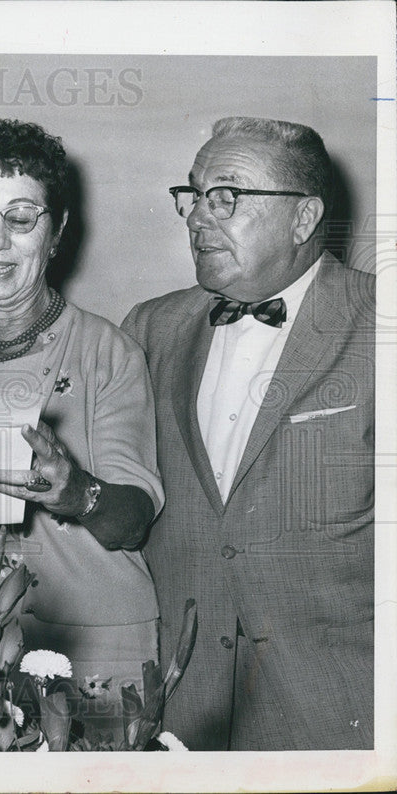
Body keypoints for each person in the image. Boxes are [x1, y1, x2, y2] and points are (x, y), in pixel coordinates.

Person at [122, 116, 374, 750]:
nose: (198, 218)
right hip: (181, 723)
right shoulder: (149, 329)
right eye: (195, 195)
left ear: (303, 217)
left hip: (340, 722)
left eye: (227, 196)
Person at [0, 118, 164, 743]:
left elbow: (134, 518)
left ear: (56, 233)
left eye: (21, 218)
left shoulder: (109, 351)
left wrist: (76, 491)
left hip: (91, 655)